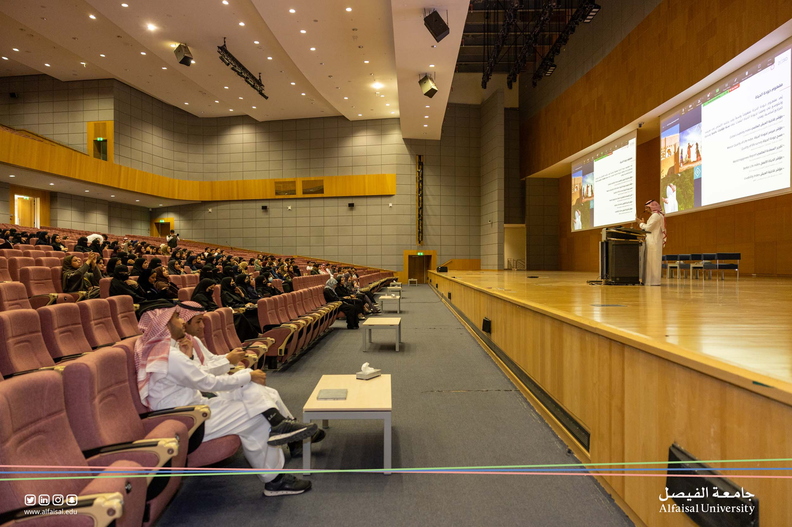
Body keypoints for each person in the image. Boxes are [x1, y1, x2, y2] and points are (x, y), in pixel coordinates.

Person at [134, 303, 317, 496]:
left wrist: (246, 377)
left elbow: (196, 378)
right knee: (255, 414)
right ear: (164, 325)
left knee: (249, 388)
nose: (181, 322)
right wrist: (247, 376)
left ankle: (278, 424)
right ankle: (275, 479)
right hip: (188, 421)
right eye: (177, 318)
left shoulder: (166, 351)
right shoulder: (169, 356)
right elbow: (207, 383)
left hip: (197, 407)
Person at [637, 200, 667, 286]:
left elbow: (648, 228)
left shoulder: (655, 216)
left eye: (647, 208)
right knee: (652, 261)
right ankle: (650, 281)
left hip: (653, 242)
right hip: (654, 241)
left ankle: (652, 282)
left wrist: (641, 224)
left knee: (653, 262)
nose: (646, 210)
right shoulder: (659, 215)